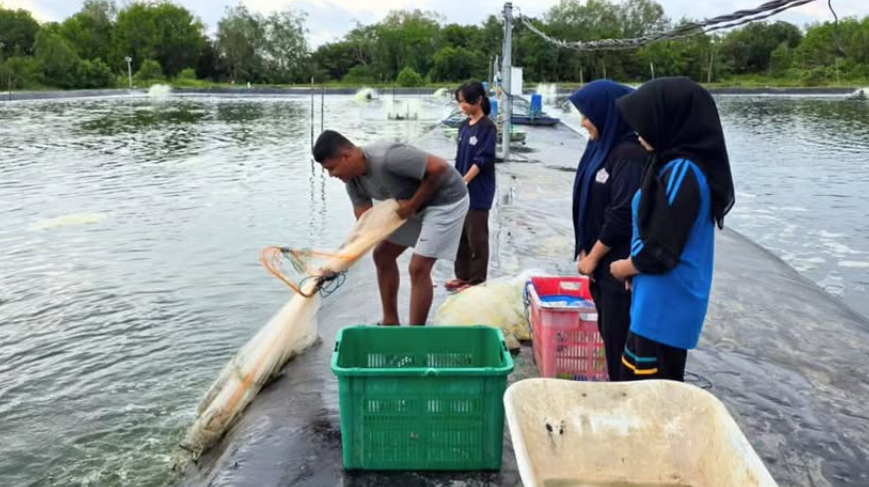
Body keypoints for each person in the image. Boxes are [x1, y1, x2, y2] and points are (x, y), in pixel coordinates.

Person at [609, 77, 735, 382]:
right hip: (652, 299)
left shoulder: (683, 170)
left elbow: (660, 249)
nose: (639, 132)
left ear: (670, 119)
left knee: (652, 396)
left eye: (646, 121)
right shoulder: (666, 164)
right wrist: (636, 270)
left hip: (666, 306)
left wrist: (624, 267)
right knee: (638, 389)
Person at [312, 130, 469, 326]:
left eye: (332, 168)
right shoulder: (353, 182)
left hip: (446, 200)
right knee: (382, 255)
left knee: (418, 267)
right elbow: (365, 227)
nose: (331, 175)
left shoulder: (389, 157)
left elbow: (440, 168)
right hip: (410, 206)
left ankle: (414, 334)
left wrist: (412, 205)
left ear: (346, 156)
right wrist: (336, 264)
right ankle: (390, 321)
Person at [570, 80, 647, 381]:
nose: (583, 122)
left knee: (619, 339)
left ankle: (624, 397)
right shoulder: (599, 147)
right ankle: (616, 388)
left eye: (588, 115)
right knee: (608, 332)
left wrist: (594, 255)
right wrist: (584, 248)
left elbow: (622, 212)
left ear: (608, 113)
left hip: (618, 265)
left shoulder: (629, 154)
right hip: (598, 263)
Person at [445, 80, 498, 292]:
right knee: (460, 236)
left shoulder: (488, 127)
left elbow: (483, 160)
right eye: (460, 102)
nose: (462, 106)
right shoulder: (464, 126)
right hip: (461, 190)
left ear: (478, 100)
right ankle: (462, 276)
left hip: (478, 192)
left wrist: (465, 180)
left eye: (465, 101)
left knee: (477, 238)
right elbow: (460, 159)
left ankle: (476, 281)